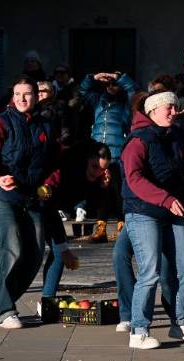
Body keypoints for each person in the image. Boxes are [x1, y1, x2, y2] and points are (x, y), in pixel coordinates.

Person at [121, 90, 184, 349]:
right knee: (150, 271)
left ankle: (180, 322)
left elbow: (183, 174)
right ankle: (139, 330)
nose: (172, 111)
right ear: (152, 111)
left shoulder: (177, 136)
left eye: (174, 106)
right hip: (143, 211)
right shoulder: (138, 140)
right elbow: (134, 178)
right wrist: (165, 199)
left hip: (175, 210)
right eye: (167, 108)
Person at [0, 75, 58, 329]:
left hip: (32, 197)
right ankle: (5, 311)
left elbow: (55, 163)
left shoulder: (46, 125)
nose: (22, 99)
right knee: (12, 246)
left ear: (37, 96)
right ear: (13, 96)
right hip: (4, 196)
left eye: (27, 94)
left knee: (34, 254)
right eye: (17, 94)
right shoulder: (3, 122)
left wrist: (49, 185)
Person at [40, 142, 111, 305]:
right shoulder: (66, 170)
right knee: (34, 254)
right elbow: (47, 202)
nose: (97, 172)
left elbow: (95, 206)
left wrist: (103, 188)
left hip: (52, 210)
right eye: (94, 166)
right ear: (87, 160)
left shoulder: (95, 180)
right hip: (40, 207)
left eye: (102, 169)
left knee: (59, 254)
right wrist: (62, 244)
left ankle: (47, 301)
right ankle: (0, 297)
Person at [78, 70, 137, 240]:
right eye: (109, 83)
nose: (112, 87)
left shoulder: (126, 103)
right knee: (99, 190)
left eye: (115, 84)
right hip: (98, 153)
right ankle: (101, 227)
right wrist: (93, 78)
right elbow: (82, 93)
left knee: (118, 190)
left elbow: (134, 91)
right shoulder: (98, 101)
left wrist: (120, 78)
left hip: (118, 153)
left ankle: (122, 225)